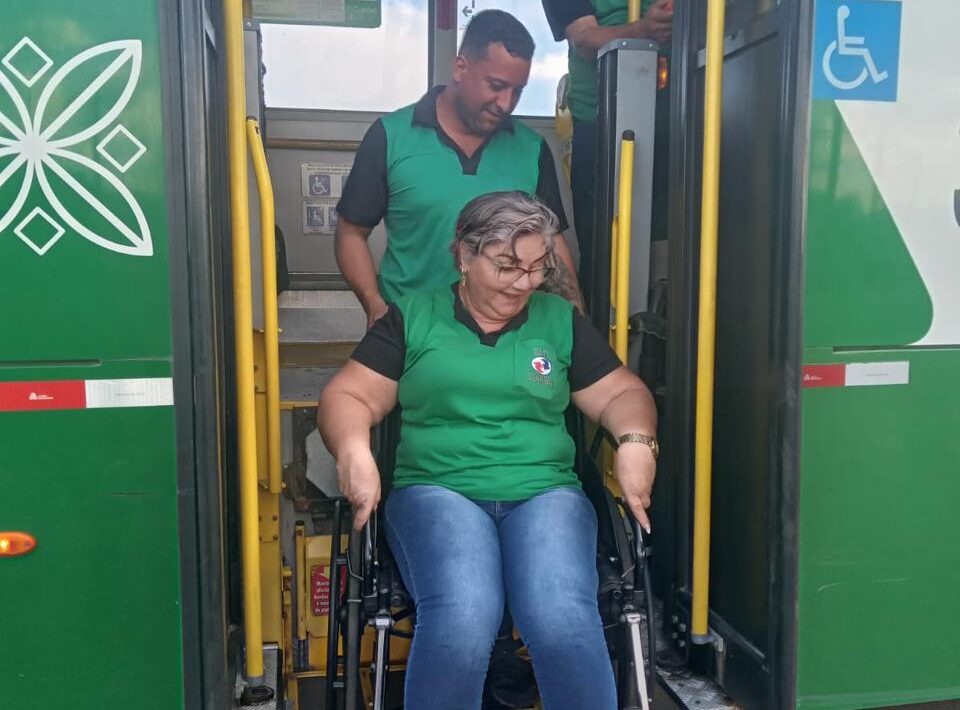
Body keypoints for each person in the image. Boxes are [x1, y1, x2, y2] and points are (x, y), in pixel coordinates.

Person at [318, 191, 659, 710]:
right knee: (463, 612)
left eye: (535, 268)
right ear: (463, 256)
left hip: (545, 492)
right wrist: (353, 449)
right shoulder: (413, 319)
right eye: (506, 267)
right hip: (438, 490)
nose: (523, 283)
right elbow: (349, 395)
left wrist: (636, 441)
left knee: (561, 614)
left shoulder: (558, 321)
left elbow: (621, 393)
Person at [335, 9, 582, 328]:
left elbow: (554, 242)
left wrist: (575, 320)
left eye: (517, 91)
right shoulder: (390, 136)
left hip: (508, 335)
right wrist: (374, 305)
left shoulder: (532, 148)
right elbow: (351, 233)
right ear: (460, 68)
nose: (505, 103)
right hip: (412, 330)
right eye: (496, 85)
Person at [541, 0, 673, 298]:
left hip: (684, 114)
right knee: (606, 253)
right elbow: (584, 39)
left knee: (676, 247)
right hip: (602, 121)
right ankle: (603, 338)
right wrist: (645, 29)